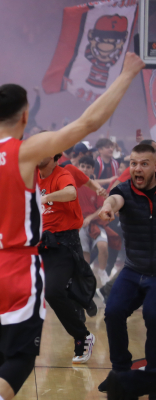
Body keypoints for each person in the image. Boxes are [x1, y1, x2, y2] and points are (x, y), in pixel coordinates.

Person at [0, 52, 144, 400]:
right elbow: (88, 123)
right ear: (25, 116)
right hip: (15, 266)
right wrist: (126, 75)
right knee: (21, 356)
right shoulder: (25, 152)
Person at [98, 143, 156, 398]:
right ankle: (120, 373)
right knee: (113, 311)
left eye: (144, 163)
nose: (137, 169)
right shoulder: (124, 190)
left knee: (154, 316)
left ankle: (152, 377)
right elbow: (114, 198)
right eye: (133, 163)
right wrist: (108, 207)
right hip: (132, 271)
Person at [37, 153, 96, 364]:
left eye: (42, 151)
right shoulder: (32, 175)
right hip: (40, 243)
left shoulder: (62, 173)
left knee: (53, 292)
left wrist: (46, 197)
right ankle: (75, 296)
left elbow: (71, 193)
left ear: (54, 157)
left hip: (64, 243)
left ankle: (82, 336)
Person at [77, 155, 110, 285]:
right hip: (79, 224)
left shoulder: (97, 187)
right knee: (85, 253)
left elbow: (102, 206)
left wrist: (91, 217)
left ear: (92, 170)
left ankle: (102, 272)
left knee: (103, 246)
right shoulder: (71, 183)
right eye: (82, 166)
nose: (85, 169)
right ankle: (87, 279)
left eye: (88, 167)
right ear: (78, 167)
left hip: (96, 223)